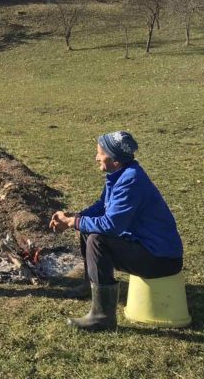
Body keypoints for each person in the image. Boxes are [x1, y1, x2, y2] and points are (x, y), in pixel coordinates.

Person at [49, 131, 183, 331]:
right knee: (88, 229)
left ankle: (102, 317)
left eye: (100, 153)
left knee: (97, 239)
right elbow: (101, 207)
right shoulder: (121, 175)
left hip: (161, 259)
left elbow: (111, 226)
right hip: (145, 247)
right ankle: (90, 285)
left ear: (116, 159)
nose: (96, 158)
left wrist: (73, 222)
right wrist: (73, 217)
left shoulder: (131, 181)